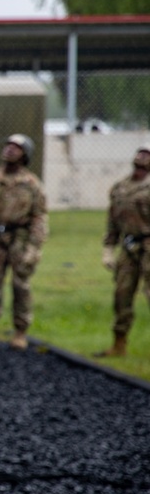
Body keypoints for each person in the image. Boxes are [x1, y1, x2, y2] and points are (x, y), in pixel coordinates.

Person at [0, 134, 48, 351]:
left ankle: (20, 331)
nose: (10, 150)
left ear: (25, 155)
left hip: (21, 237)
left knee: (21, 285)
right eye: (8, 146)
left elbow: (39, 216)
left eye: (16, 148)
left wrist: (34, 247)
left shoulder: (31, 184)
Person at [98, 144, 150, 358]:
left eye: (146, 154)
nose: (141, 156)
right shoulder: (120, 187)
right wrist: (109, 248)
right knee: (122, 295)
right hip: (128, 247)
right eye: (140, 152)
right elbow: (113, 221)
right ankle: (119, 345)